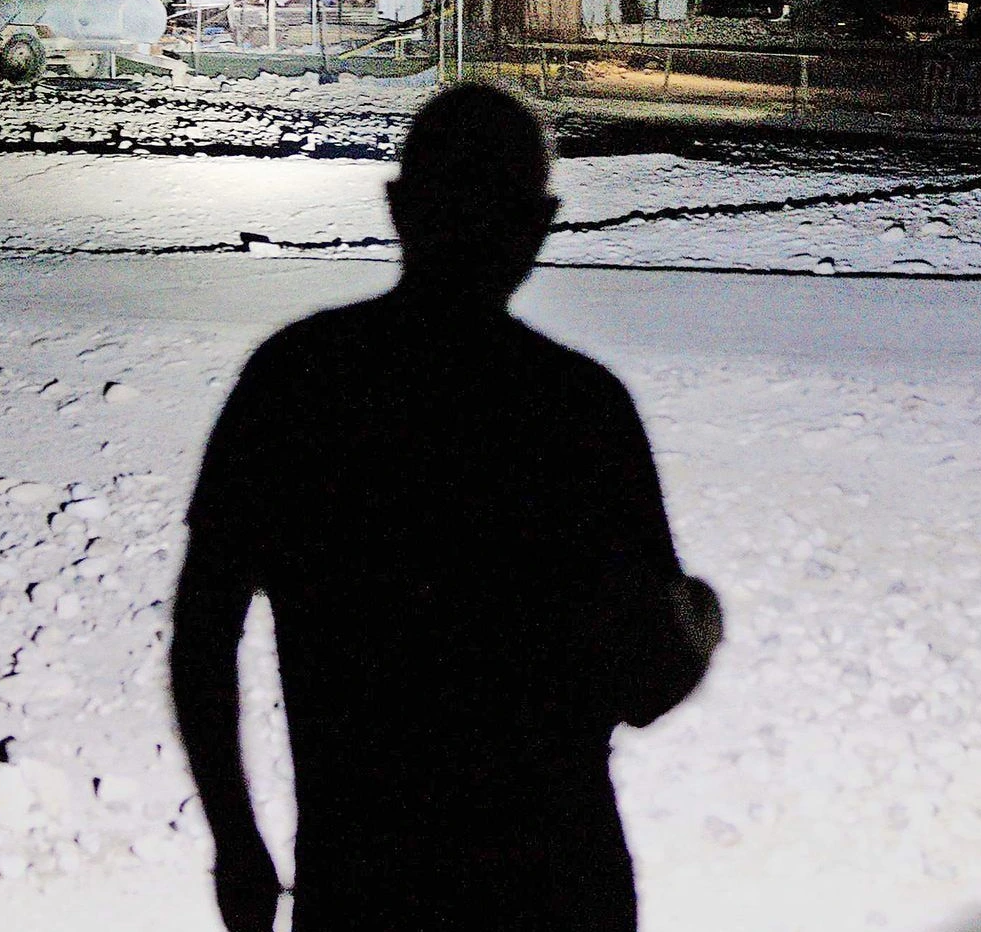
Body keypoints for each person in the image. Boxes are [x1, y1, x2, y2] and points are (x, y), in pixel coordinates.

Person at [171, 84, 722, 932]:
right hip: (556, 885)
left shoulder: (297, 382)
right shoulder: (580, 411)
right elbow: (645, 683)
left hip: (365, 882)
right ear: (538, 225)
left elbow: (204, 635)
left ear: (400, 208)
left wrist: (237, 841)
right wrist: (701, 621)